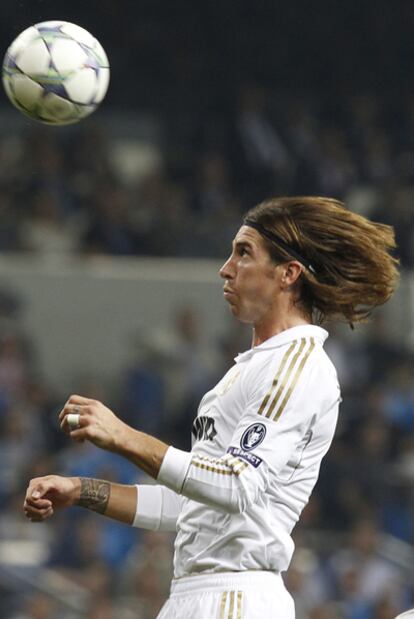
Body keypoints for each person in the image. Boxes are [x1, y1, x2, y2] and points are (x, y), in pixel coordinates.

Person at [24, 196, 399, 618]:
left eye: (243, 253)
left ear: (288, 273)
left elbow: (236, 486)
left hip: (235, 596)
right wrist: (82, 490)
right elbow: (192, 505)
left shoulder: (297, 366)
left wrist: (122, 436)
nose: (226, 267)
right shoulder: (250, 369)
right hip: (196, 594)